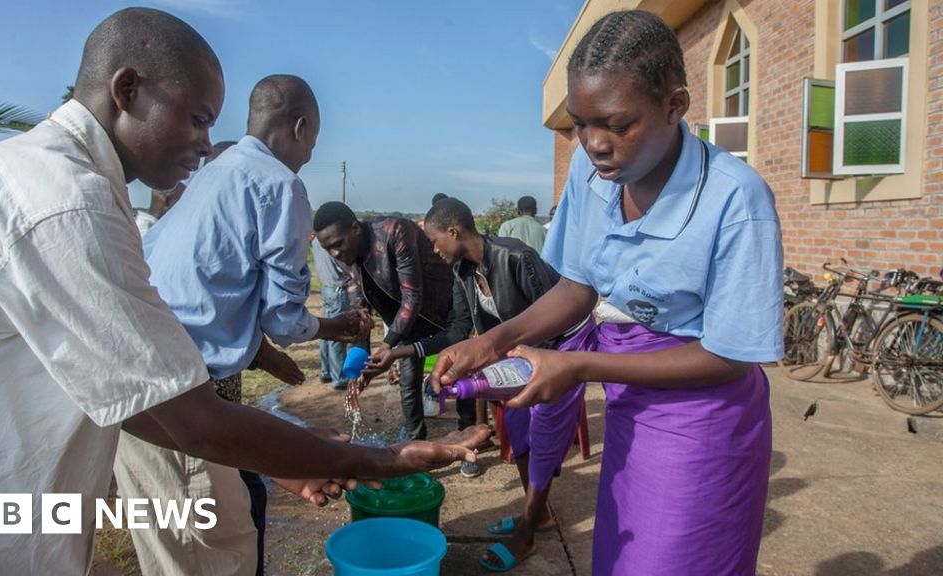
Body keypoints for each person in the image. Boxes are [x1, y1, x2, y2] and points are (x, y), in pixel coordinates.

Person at [0, 9, 487, 574]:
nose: (205, 144)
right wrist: (381, 458)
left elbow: (126, 395)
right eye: (197, 120)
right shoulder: (64, 206)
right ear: (126, 90)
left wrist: (285, 452)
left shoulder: (66, 182)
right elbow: (190, 414)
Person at [433, 10, 782, 576]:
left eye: (617, 124)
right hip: (628, 401)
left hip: (701, 418)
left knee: (673, 560)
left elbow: (731, 353)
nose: (595, 144)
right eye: (579, 124)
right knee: (621, 555)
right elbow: (579, 286)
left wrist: (580, 367)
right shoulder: (590, 174)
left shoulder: (735, 199)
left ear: (675, 105)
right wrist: (493, 341)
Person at [114, 75, 375, 575]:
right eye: (313, 143)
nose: (308, 156)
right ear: (300, 128)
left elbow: (201, 290)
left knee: (204, 540)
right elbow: (284, 319)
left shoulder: (210, 176)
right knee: (210, 556)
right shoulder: (280, 184)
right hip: (184, 400)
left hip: (151, 394)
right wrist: (334, 327)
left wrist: (282, 451)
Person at [366, 197, 595, 570]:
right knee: (517, 427)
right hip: (521, 352)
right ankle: (537, 514)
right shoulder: (463, 272)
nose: (434, 250)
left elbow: (555, 315)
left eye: (435, 241)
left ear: (454, 231)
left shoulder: (516, 257)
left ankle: (526, 534)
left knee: (544, 431)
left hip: (564, 346)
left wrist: (519, 368)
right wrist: (402, 353)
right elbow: (459, 330)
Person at [312, 202, 478, 447]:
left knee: (457, 372)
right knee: (408, 382)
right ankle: (415, 441)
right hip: (405, 323)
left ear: (355, 229)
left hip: (442, 311)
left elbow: (412, 296)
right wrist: (360, 362)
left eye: (337, 244)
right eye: (327, 249)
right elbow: (360, 306)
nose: (334, 253)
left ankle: (469, 434)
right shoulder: (346, 255)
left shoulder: (394, 231)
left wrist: (387, 345)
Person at [312, 237, 353, 390]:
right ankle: (340, 378)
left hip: (327, 287)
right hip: (338, 288)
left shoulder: (316, 240)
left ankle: (326, 371)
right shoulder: (332, 240)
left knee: (326, 331)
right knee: (337, 333)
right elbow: (343, 264)